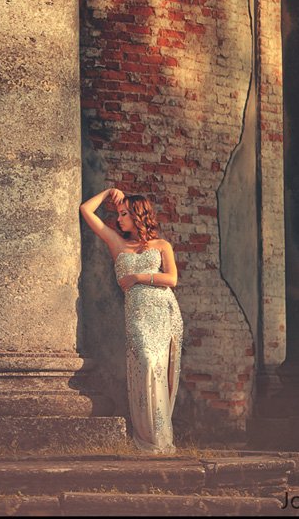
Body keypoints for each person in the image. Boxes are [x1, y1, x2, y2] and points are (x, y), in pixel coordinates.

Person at [79, 187, 184, 454]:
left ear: (138, 215)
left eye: (124, 214)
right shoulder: (117, 243)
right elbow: (85, 210)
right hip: (137, 314)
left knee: (159, 369)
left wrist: (138, 277)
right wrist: (108, 192)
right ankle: (147, 436)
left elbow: (172, 279)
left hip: (163, 311)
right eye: (119, 213)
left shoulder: (161, 246)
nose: (119, 219)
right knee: (145, 364)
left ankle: (161, 438)